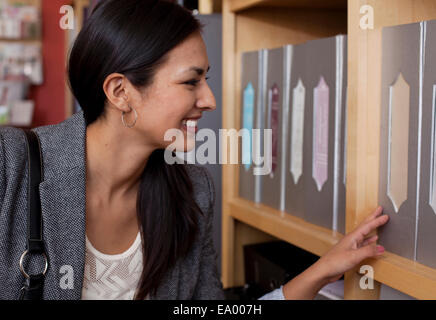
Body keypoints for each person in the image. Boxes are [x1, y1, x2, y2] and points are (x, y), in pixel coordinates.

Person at [0, 0, 389, 300]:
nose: (210, 100)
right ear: (121, 92)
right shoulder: (10, 167)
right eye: (191, 82)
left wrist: (322, 271)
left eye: (207, 79)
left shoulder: (193, 192)